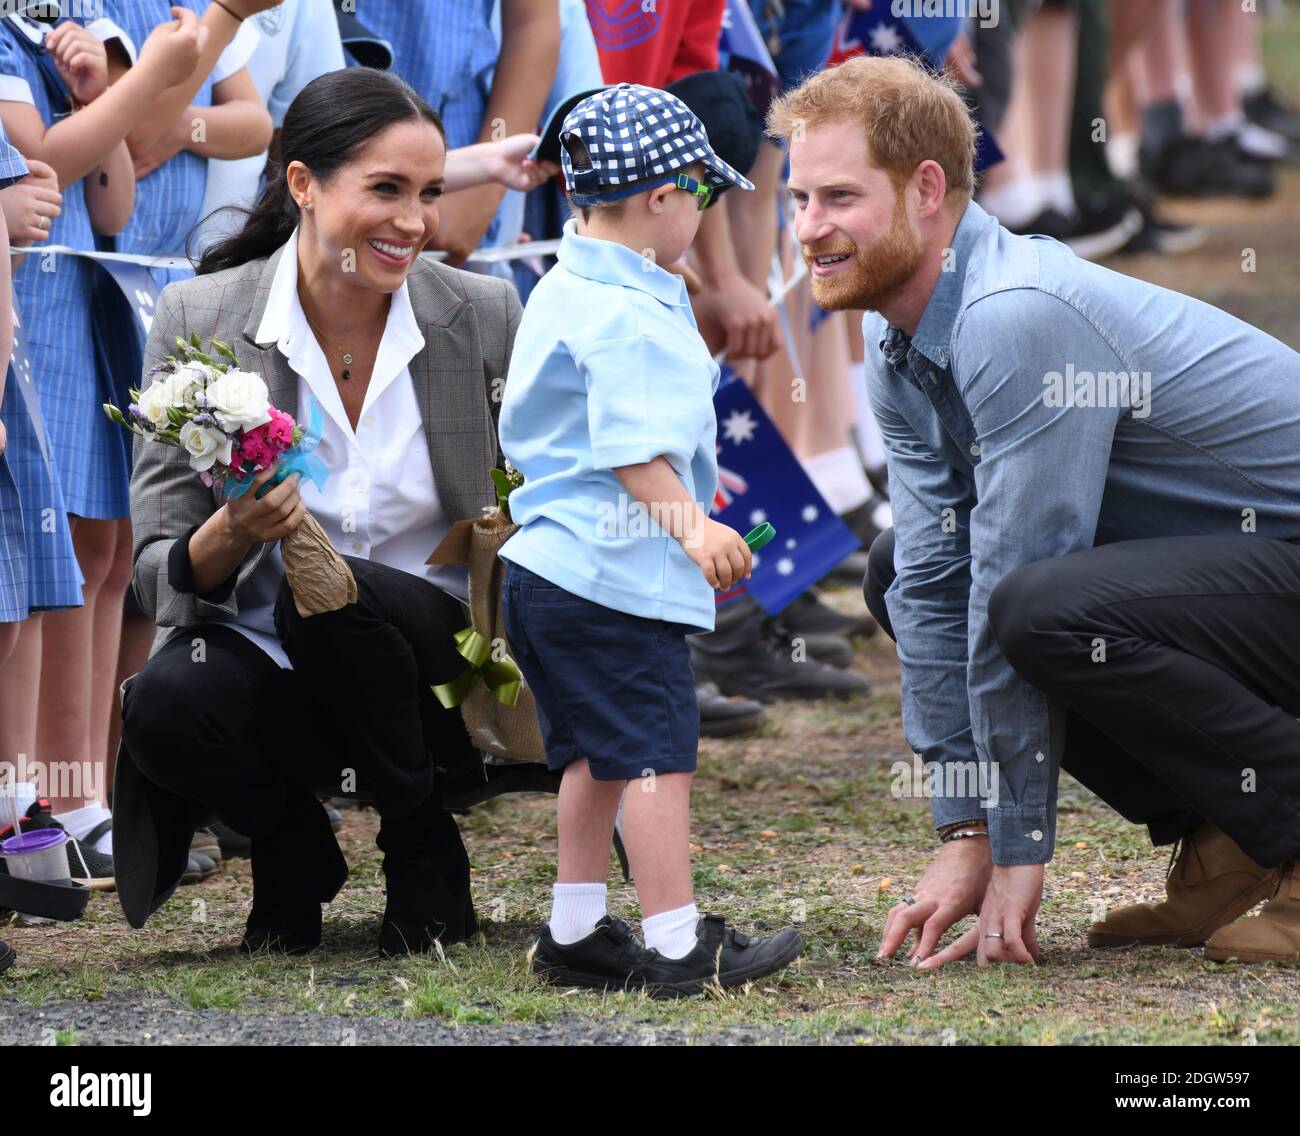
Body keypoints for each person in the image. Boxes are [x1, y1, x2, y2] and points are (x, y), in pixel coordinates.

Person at [768, 53, 1300, 967]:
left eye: (838, 198)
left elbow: (1016, 577)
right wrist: (964, 829)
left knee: (1038, 608)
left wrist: (1019, 850)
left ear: (926, 189)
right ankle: (1228, 843)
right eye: (798, 198)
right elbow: (936, 575)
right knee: (904, 565)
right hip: (1250, 584)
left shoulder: (1016, 314)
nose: (808, 229)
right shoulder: (895, 326)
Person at [115, 67, 522, 956]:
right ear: (301, 182)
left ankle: (422, 842)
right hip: (276, 668)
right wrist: (231, 530)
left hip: (437, 669)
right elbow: (155, 568)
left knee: (330, 594)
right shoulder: (200, 316)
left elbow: (536, 499)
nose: (413, 222)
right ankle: (291, 843)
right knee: (165, 703)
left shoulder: (482, 311)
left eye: (428, 193)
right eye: (386, 189)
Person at [498, 84, 803, 995]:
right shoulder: (628, 313)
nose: (705, 215)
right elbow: (633, 451)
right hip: (608, 578)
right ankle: (677, 944)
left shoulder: (571, 281)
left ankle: (576, 929)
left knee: (596, 755)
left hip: (547, 572)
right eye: (702, 196)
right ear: (663, 196)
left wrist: (692, 496)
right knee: (655, 759)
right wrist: (695, 525)